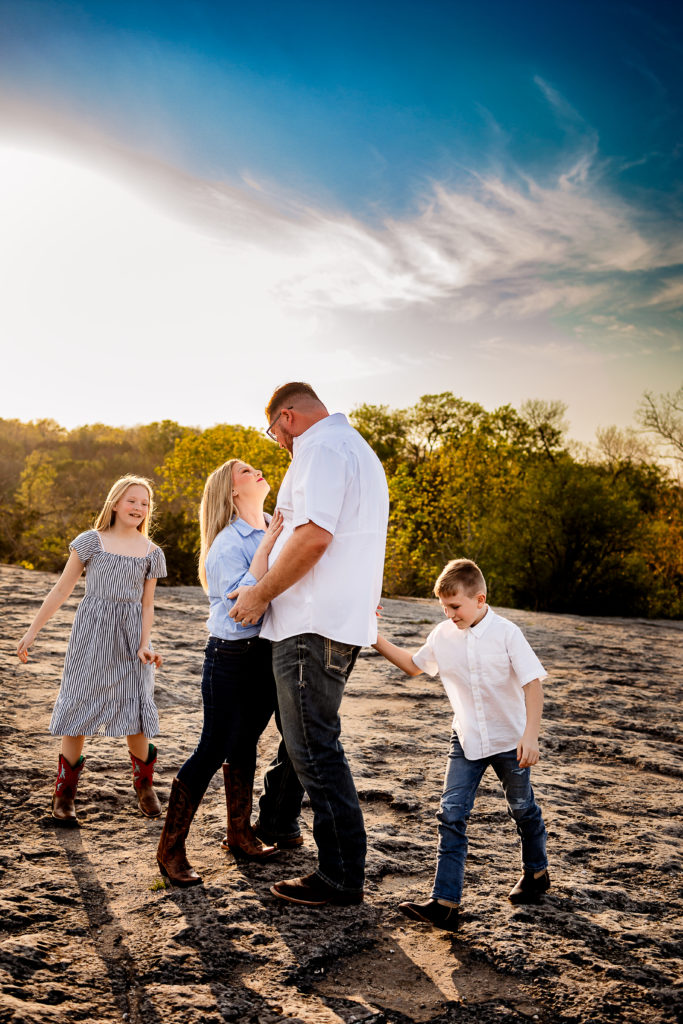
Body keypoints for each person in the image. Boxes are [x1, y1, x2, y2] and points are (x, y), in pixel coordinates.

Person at [229, 382, 389, 907]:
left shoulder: (319, 449)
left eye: (274, 432)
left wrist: (258, 595)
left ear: (289, 417)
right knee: (300, 736)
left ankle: (341, 876)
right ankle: (278, 822)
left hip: (311, 622)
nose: (277, 443)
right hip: (338, 621)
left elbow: (315, 537)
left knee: (314, 746)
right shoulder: (359, 450)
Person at [373, 558, 549, 932]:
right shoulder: (442, 634)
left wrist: (530, 736)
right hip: (466, 740)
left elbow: (533, 683)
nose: (450, 614)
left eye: (455, 607)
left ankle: (536, 873)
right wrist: (372, 634)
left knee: (521, 808)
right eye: (444, 608)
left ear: (480, 599)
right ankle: (445, 903)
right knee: (451, 814)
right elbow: (413, 666)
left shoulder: (507, 633)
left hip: (510, 740)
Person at [156, 459, 304, 887]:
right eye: (244, 472)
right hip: (231, 656)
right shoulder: (227, 543)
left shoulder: (275, 528)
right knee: (212, 748)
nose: (257, 470)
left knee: (246, 746)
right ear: (232, 492)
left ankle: (239, 834)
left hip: (266, 653)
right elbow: (243, 605)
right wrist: (263, 553)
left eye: (255, 466)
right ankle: (170, 849)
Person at [16, 475, 167, 827]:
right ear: (115, 503)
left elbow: (148, 605)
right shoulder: (91, 542)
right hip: (93, 631)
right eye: (132, 500)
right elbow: (61, 589)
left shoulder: (152, 552)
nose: (138, 507)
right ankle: (64, 793)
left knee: (135, 706)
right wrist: (32, 632)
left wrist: (146, 643)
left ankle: (144, 784)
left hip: (132, 636)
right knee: (80, 703)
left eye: (145, 503)